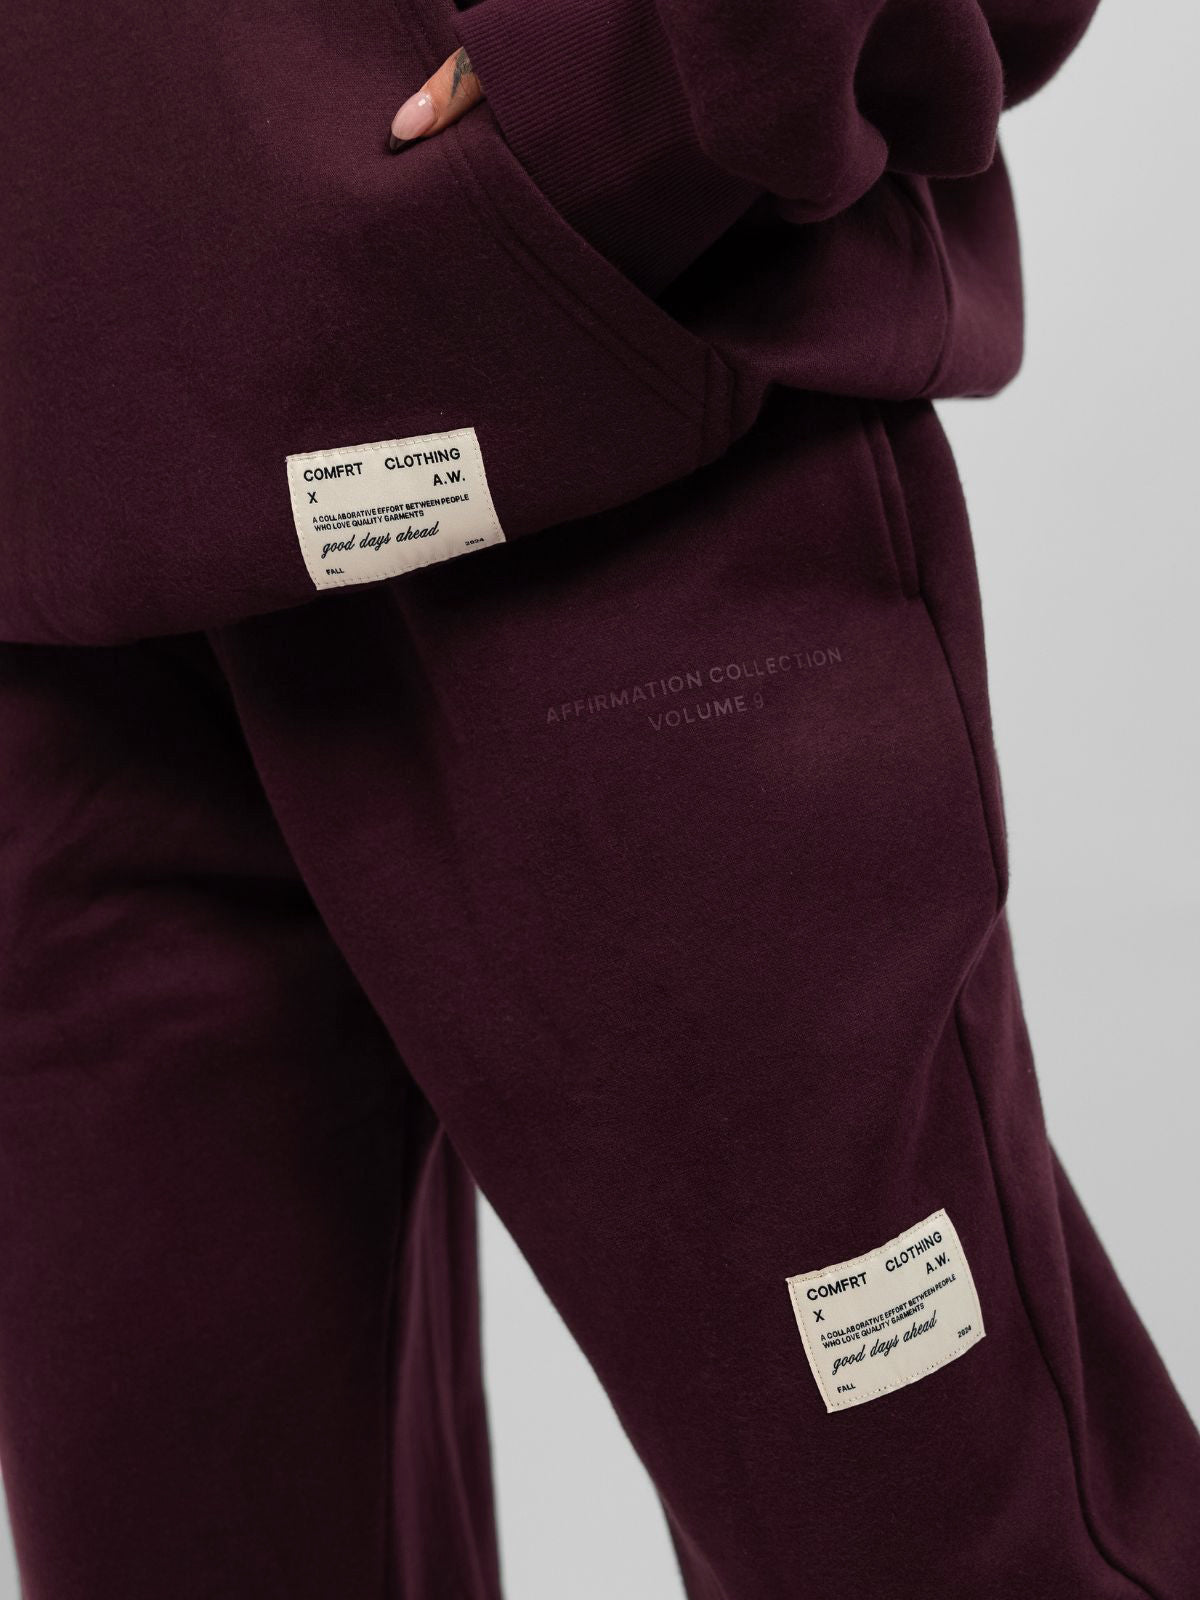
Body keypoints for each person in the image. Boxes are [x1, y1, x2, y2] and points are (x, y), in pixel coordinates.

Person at [0, 0, 1196, 1595]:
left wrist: (648, 64)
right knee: (184, 1531)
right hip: (66, 526)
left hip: (594, 424)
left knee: (922, 1534)